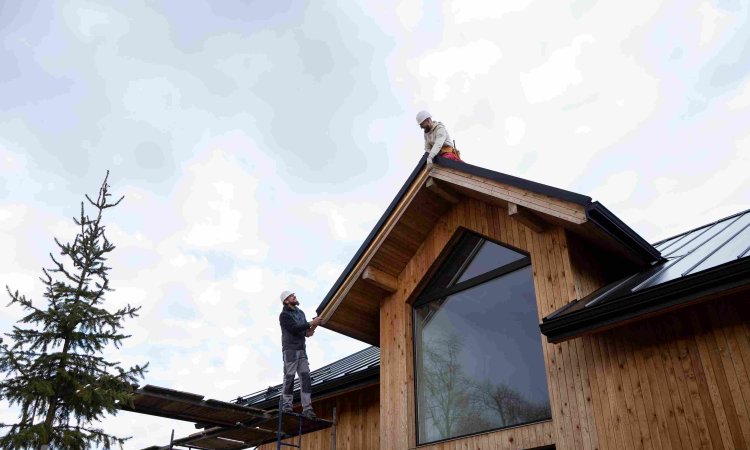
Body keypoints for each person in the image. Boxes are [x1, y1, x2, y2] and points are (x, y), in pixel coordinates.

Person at [278, 290, 321, 419]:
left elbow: (307, 333)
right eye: (292, 296)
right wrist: (311, 323)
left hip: (302, 350)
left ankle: (307, 409)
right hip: (290, 350)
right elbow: (294, 329)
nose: (295, 297)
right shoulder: (284, 315)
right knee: (289, 377)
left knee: (306, 378)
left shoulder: (301, 313)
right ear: (286, 301)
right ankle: (287, 406)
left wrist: (313, 327)